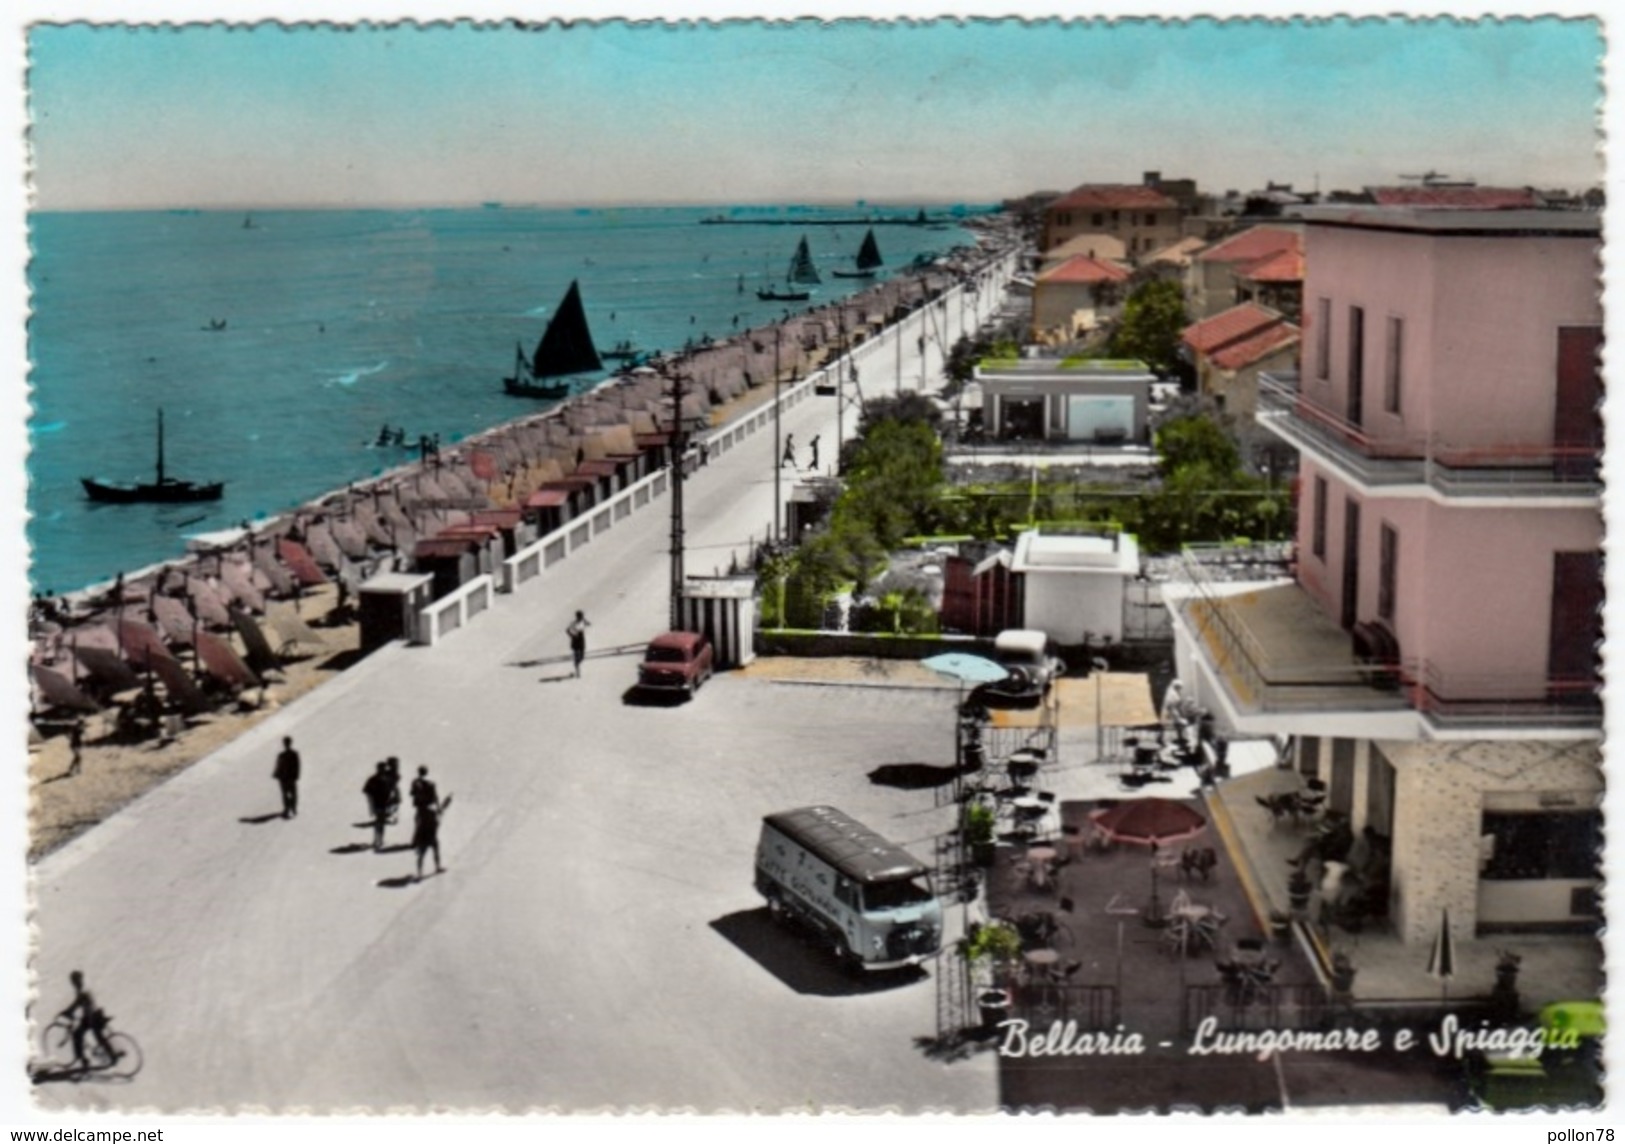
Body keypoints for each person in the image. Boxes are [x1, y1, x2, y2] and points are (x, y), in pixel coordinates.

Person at [57, 971, 116, 1069]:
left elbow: (76, 1004)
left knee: (85, 1035)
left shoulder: (83, 991)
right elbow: (79, 1004)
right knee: (85, 1034)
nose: (74, 983)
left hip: (93, 1018)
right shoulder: (82, 990)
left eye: (75, 981)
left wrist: (67, 1012)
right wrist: (69, 1012)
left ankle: (110, 1056)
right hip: (91, 1017)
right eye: (73, 981)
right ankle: (85, 1059)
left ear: (79, 980)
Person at [410, 766, 444, 881]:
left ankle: (419, 873)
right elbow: (435, 797)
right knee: (435, 848)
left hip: (422, 828)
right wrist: (439, 808)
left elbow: (412, 794)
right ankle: (438, 867)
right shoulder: (431, 784)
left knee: (422, 854)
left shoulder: (415, 783)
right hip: (431, 834)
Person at [363, 761, 395, 851]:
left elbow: (366, 791)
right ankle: (379, 840)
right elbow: (367, 791)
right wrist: (371, 803)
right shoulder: (378, 779)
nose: (384, 770)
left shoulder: (374, 779)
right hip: (380, 803)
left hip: (382, 803)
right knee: (380, 822)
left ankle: (378, 840)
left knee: (380, 821)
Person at [273, 736, 301, 819]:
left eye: (287, 743)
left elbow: (297, 766)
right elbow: (278, 766)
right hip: (283, 778)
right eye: (285, 743)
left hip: (289, 778)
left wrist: (296, 776)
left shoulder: (293, 754)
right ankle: (288, 808)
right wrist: (276, 774)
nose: (286, 744)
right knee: (286, 794)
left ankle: (292, 808)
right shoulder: (281, 755)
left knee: (292, 794)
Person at [566, 610, 590, 678]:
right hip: (576, 640)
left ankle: (576, 666)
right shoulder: (573, 623)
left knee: (582, 657)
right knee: (577, 656)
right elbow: (567, 630)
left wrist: (586, 622)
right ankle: (577, 672)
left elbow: (588, 623)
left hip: (581, 639)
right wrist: (572, 635)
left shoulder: (583, 621)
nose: (582, 617)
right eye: (581, 616)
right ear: (578, 617)